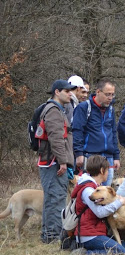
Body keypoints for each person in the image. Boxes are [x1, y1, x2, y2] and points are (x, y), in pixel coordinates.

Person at [37, 79, 76, 243]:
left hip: (52, 162)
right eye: (67, 91)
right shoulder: (53, 111)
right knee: (56, 198)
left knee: (53, 198)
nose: (70, 94)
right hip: (53, 163)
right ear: (57, 92)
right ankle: (53, 236)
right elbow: (57, 140)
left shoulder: (56, 109)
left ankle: (48, 235)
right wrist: (62, 162)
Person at [70, 155, 125, 255]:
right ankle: (85, 253)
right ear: (102, 170)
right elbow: (100, 213)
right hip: (89, 235)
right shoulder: (88, 190)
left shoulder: (96, 186)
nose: (109, 173)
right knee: (122, 251)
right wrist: (119, 202)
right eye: (108, 170)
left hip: (97, 231)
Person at [72, 79, 120, 185]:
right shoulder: (84, 108)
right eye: (107, 94)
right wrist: (79, 153)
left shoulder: (110, 110)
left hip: (108, 158)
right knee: (90, 190)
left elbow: (113, 133)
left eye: (112, 95)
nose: (110, 98)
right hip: (90, 157)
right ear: (98, 92)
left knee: (105, 194)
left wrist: (116, 156)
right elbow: (77, 131)